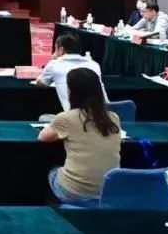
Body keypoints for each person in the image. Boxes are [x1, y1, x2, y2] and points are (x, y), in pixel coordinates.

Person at [38, 67, 122, 206]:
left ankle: (55, 211)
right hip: (108, 191)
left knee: (52, 171)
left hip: (74, 192)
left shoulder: (66, 118)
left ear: (72, 91)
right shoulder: (114, 117)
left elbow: (43, 137)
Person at [35, 32, 107, 111]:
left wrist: (52, 60)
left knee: (44, 117)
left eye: (55, 49)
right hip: (106, 114)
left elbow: (42, 83)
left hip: (76, 116)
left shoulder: (54, 64)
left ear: (61, 50)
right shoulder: (94, 64)